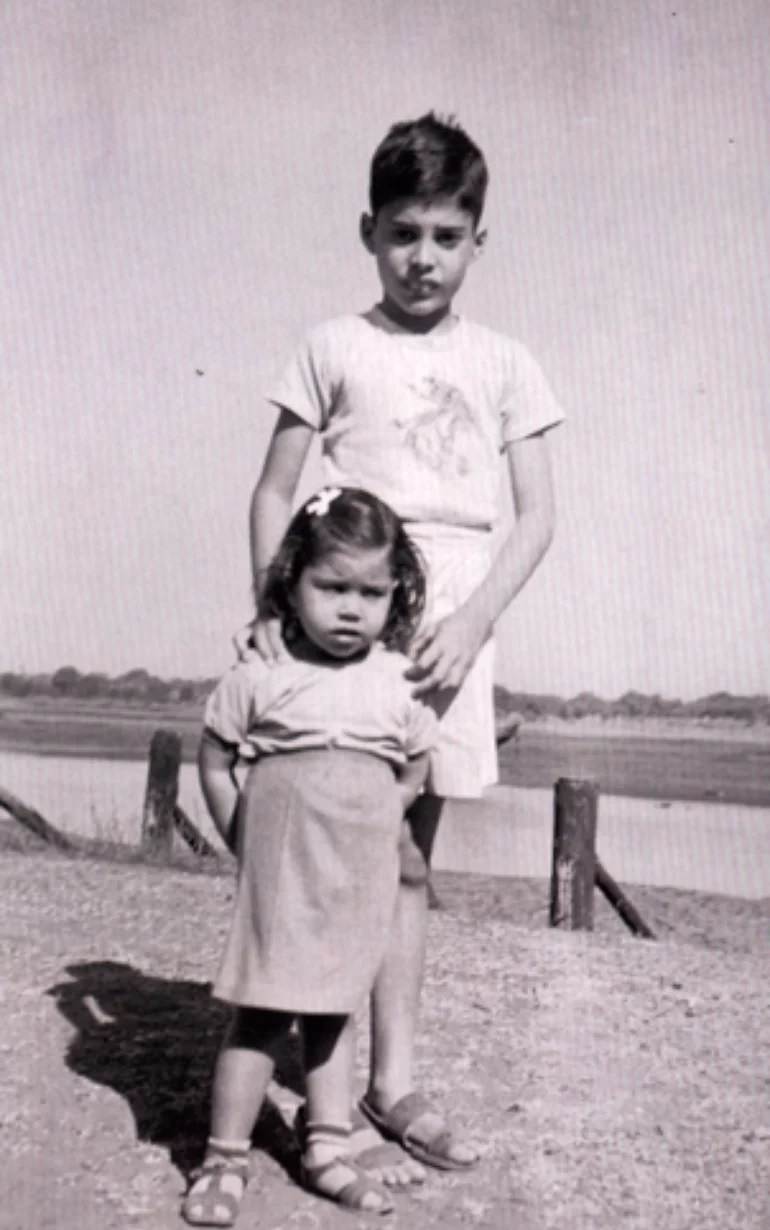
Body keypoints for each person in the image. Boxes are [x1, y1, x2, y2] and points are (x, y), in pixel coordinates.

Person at [245, 112, 565, 1179]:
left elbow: (535, 518)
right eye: (401, 232)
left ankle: (390, 1080)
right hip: (348, 601)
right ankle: (299, 1045)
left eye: (444, 234)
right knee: (324, 841)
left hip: (448, 627)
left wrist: (473, 626)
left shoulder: (506, 362)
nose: (421, 257)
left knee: (408, 855)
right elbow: (276, 490)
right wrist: (272, 617)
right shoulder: (331, 345)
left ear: (479, 240)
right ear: (366, 232)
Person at [183, 487, 438, 1225]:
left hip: (356, 869)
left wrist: (386, 818)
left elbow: (416, 765)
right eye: (331, 587)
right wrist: (240, 835)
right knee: (263, 1007)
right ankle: (224, 1153)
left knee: (334, 1003)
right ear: (291, 580)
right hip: (282, 863)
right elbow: (214, 757)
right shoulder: (262, 672)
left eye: (371, 592)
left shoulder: (396, 679)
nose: (351, 608)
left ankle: (327, 1143)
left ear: (397, 593)